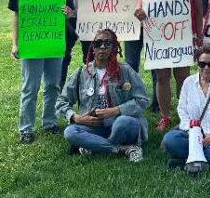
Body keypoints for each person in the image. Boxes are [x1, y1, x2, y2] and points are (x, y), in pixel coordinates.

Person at [134, 0, 204, 131]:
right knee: (162, 77)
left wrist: (199, 36)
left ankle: (184, 116)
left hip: (183, 34)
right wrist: (139, 8)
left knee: (183, 77)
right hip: (158, 35)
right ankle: (165, 116)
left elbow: (198, 10)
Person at [7, 0, 74, 144]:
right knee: (30, 87)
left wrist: (67, 13)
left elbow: (69, 13)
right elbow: (17, 16)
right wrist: (15, 44)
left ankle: (49, 122)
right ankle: (26, 128)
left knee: (53, 85)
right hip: (32, 45)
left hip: (54, 43)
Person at [56, 29, 148, 162]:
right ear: (93, 48)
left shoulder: (125, 70)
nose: (102, 47)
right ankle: (123, 149)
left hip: (119, 123)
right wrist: (77, 118)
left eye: (108, 43)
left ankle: (94, 145)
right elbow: (61, 102)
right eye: (98, 43)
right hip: (93, 126)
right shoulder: (82, 72)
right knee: (70, 132)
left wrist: (116, 110)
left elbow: (142, 100)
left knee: (125, 122)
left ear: (114, 48)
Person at [122, 0, 166, 112]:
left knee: (155, 62)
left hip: (153, 17)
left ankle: (157, 102)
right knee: (131, 63)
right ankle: (132, 98)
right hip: (132, 19)